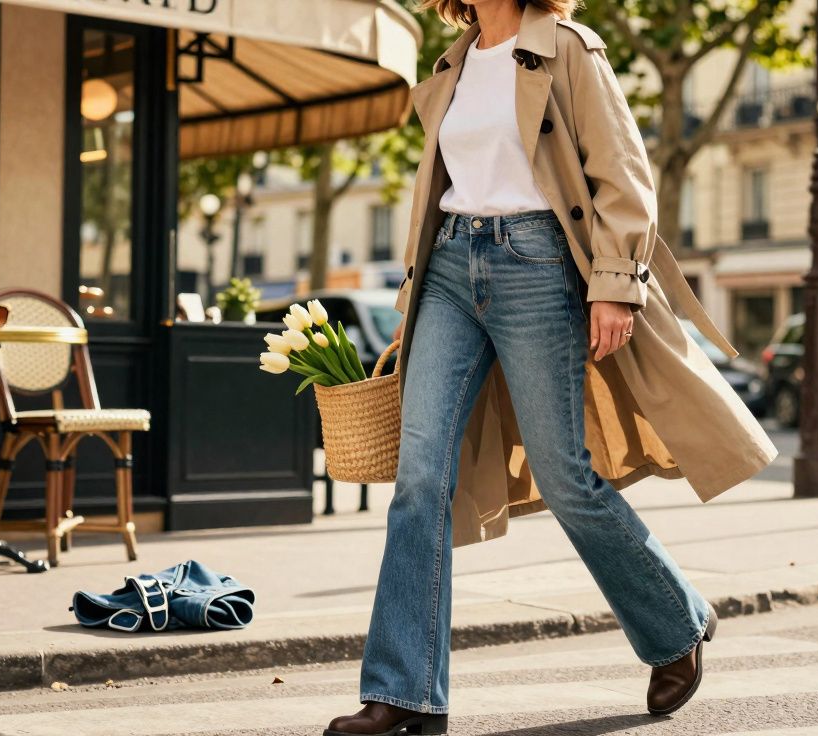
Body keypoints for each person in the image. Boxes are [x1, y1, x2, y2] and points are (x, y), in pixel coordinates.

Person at [325, 1, 777, 734]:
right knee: (418, 480)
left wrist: (615, 285)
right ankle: (403, 694)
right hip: (445, 268)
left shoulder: (568, 49)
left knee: (564, 474)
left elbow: (623, 174)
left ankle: (676, 624)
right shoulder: (452, 64)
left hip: (536, 264)